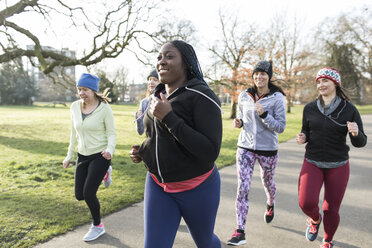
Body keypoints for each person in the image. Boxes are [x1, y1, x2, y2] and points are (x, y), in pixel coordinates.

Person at [129, 40, 223, 248]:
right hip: (158, 186)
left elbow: (210, 151)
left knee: (205, 243)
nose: (162, 61)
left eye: (169, 56)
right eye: (159, 57)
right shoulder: (156, 96)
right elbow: (155, 136)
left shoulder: (202, 96)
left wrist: (170, 118)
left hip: (198, 188)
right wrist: (143, 151)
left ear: (186, 64)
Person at [296, 67, 367, 248]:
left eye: (325, 81)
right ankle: (314, 219)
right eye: (318, 82)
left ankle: (327, 240)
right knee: (306, 202)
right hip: (313, 161)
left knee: (331, 209)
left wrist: (356, 133)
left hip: (338, 164)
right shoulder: (310, 108)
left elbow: (361, 142)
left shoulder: (349, 109)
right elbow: (306, 130)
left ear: (335, 83)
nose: (321, 85)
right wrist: (303, 137)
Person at [227, 60, 287, 246]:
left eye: (263, 74)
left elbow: (281, 127)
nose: (259, 77)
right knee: (243, 187)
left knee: (267, 181)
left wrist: (264, 115)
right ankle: (240, 231)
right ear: (252, 76)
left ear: (269, 77)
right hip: (245, 147)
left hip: (267, 149)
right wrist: (239, 123)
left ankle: (270, 203)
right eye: (256, 73)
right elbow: (242, 118)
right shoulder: (244, 95)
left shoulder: (277, 98)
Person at [62, 73, 116, 242]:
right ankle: (106, 173)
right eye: (79, 89)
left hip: (101, 155)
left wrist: (109, 151)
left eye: (85, 89)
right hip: (83, 155)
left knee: (89, 192)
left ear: (93, 90)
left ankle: (98, 226)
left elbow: (111, 133)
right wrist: (69, 155)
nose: (81, 93)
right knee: (79, 195)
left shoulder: (104, 108)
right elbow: (73, 132)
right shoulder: (74, 107)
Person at [135, 69, 160, 135]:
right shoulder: (144, 102)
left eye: (155, 80)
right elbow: (140, 132)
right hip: (150, 143)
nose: (151, 82)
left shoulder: (166, 100)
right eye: (149, 79)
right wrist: (139, 118)